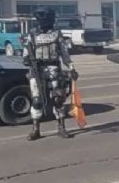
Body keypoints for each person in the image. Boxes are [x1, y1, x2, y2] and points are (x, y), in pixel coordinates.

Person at [22, 8, 78, 140]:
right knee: (37, 101)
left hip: (54, 69)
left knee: (58, 100)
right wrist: (27, 59)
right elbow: (26, 53)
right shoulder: (32, 34)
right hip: (37, 71)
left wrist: (72, 69)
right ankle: (36, 130)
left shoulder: (57, 34)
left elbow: (65, 54)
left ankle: (61, 127)